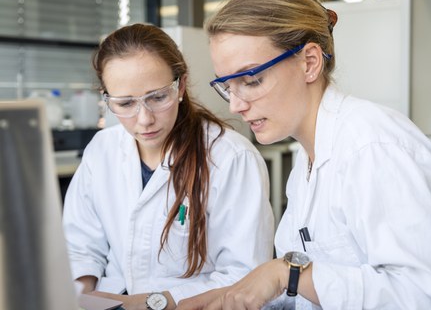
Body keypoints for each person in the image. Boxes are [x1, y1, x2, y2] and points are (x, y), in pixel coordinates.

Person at [177, 0, 431, 309]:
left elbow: (426, 297)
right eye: (227, 86)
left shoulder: (372, 146)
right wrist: (226, 298)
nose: (236, 105)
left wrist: (287, 274)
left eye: (251, 80)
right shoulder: (307, 156)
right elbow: (317, 292)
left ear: (309, 62)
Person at [62, 23, 275, 310]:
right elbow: (79, 245)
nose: (144, 119)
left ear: (181, 86)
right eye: (125, 104)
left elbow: (245, 275)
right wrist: (78, 295)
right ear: (106, 98)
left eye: (157, 97)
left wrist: (157, 302)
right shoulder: (102, 150)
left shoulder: (231, 158)